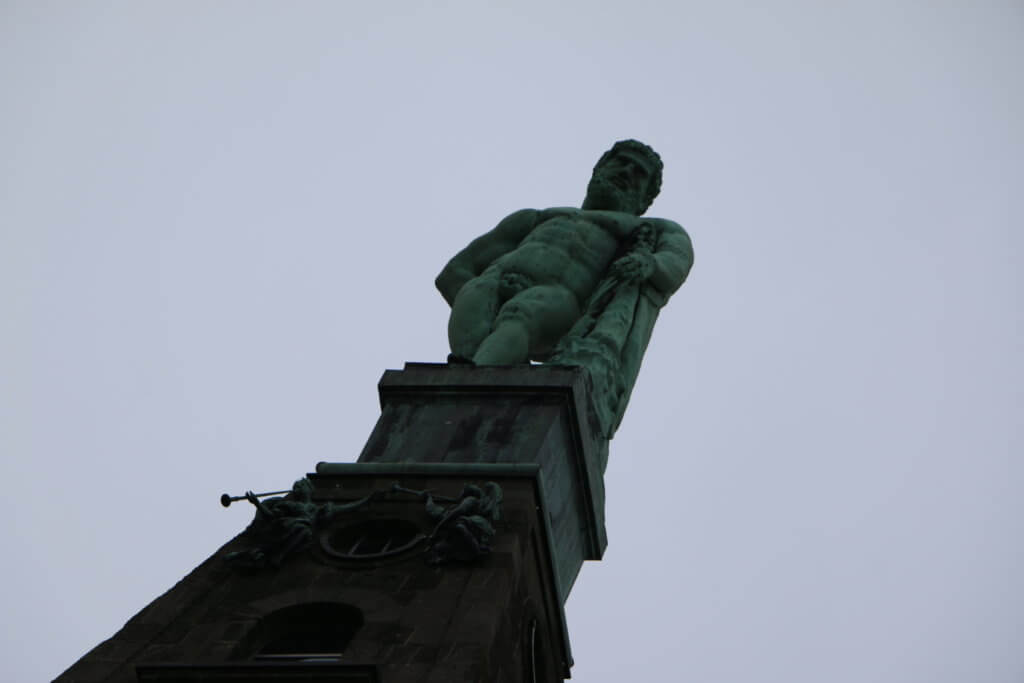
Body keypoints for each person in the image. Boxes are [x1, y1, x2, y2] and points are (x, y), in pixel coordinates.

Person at [437, 140, 693, 369]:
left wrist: (650, 263)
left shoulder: (649, 228)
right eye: (621, 162)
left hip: (560, 297)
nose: (626, 171)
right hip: (496, 280)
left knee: (522, 312)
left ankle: (483, 370)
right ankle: (474, 371)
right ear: (598, 171)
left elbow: (677, 256)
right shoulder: (537, 216)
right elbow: (455, 272)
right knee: (478, 293)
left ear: (645, 199)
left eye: (639, 173)